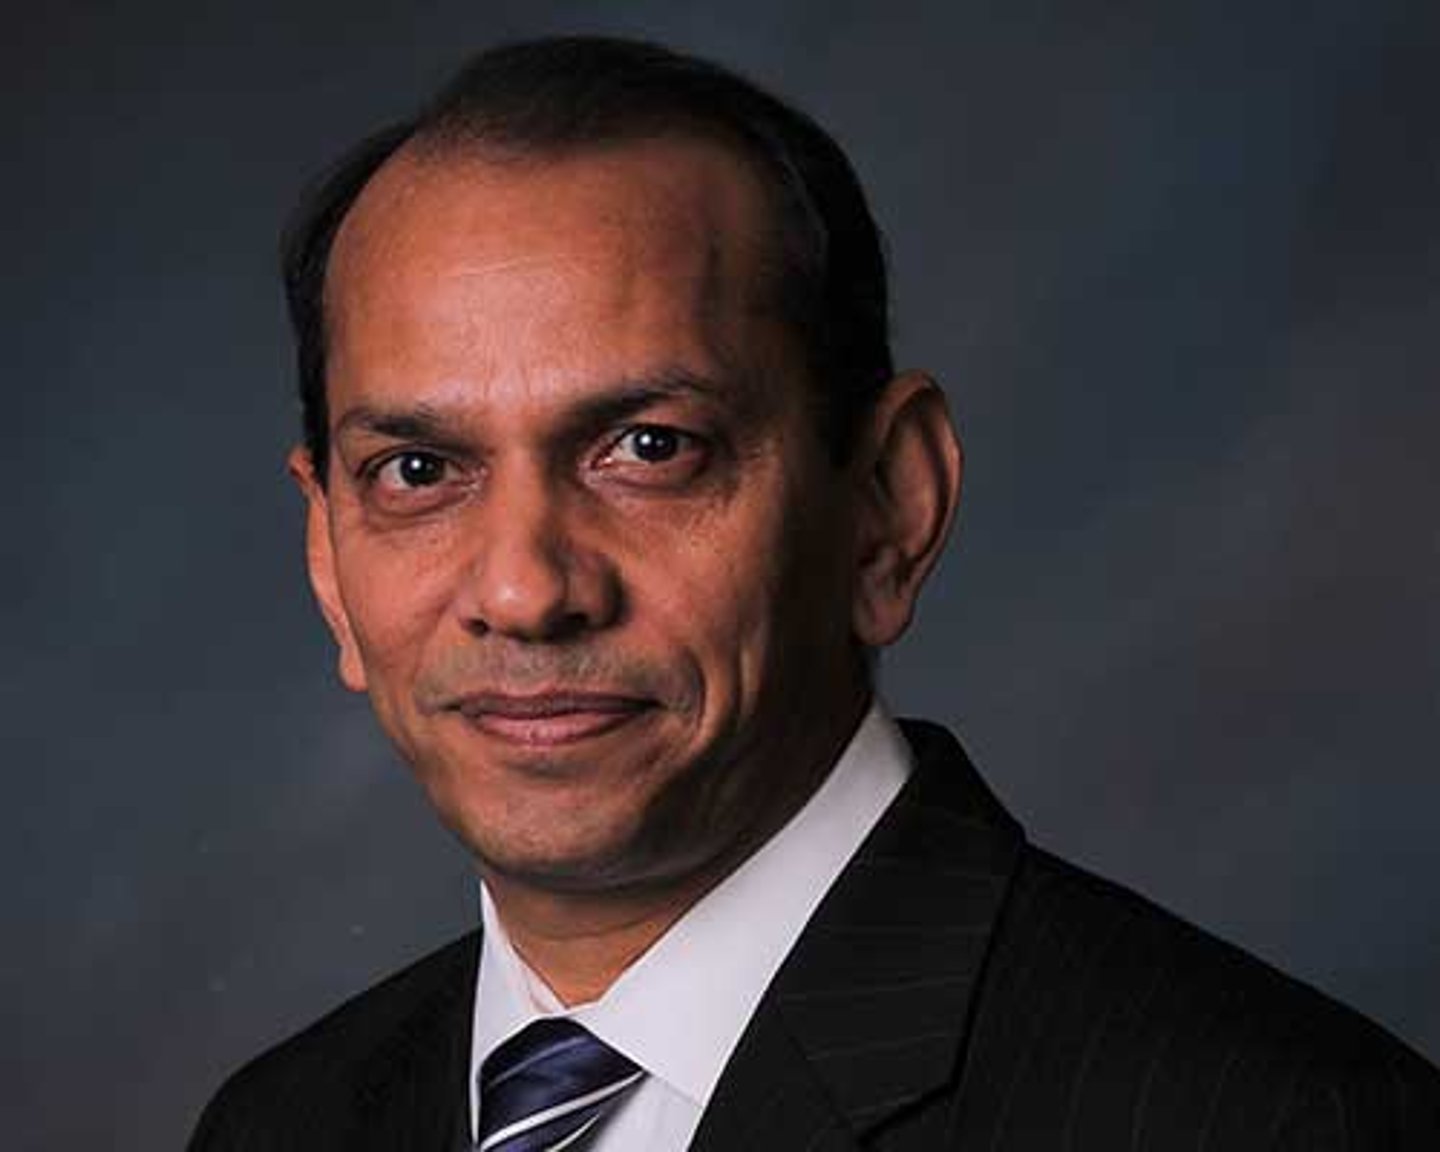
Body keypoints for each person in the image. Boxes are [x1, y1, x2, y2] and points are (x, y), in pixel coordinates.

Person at [189, 35, 1439, 1151]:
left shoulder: (1272, 1121)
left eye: (650, 447)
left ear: (890, 507)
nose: (523, 590)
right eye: (418, 470)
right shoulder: (281, 1123)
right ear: (328, 561)